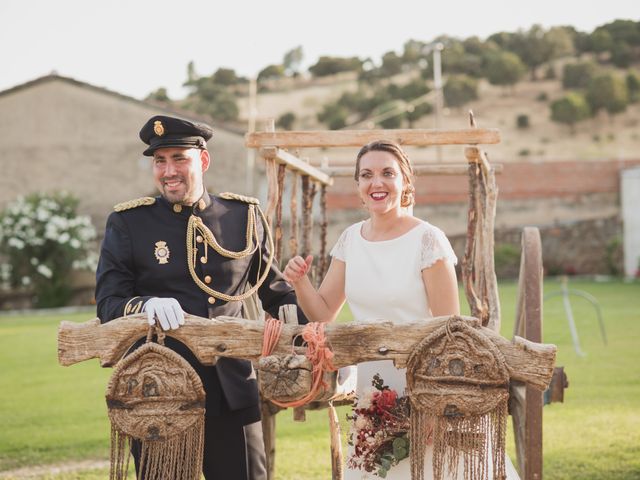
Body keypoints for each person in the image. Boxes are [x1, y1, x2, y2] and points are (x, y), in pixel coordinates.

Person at [283, 140, 520, 479]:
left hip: (425, 391)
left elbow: (449, 335)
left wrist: (434, 409)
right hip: (374, 392)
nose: (376, 183)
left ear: (406, 182)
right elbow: (323, 315)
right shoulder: (351, 239)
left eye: (387, 173)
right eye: (366, 175)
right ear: (358, 187)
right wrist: (301, 282)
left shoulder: (428, 240)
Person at [95, 114, 304, 480]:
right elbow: (109, 304)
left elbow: (275, 292)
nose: (167, 171)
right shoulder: (129, 223)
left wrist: (308, 336)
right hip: (159, 392)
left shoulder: (243, 216)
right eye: (160, 161)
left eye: (179, 158)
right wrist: (146, 307)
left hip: (233, 389)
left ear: (203, 161)